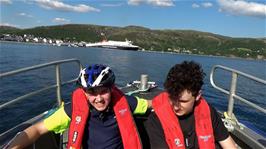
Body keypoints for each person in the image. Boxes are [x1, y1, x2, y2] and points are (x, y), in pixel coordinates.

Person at [5, 64, 152, 149]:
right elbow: (37, 129)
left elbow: (152, 105)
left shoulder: (126, 103)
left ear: (111, 89)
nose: (98, 99)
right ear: (84, 93)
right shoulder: (75, 110)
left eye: (104, 92)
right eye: (92, 93)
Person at [144, 61, 237, 149]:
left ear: (197, 96)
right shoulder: (156, 120)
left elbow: (228, 144)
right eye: (172, 99)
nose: (176, 106)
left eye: (183, 101)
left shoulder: (208, 112)